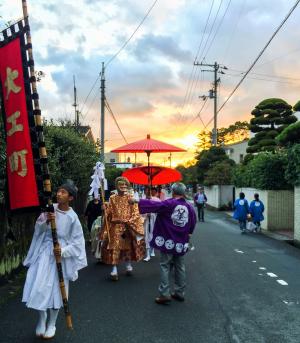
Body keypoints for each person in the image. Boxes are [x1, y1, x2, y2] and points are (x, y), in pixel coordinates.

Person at [22, 180, 87, 339]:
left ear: (70, 198)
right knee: (37, 287)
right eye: (58, 191)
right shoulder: (49, 210)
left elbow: (78, 243)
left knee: (58, 292)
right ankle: (42, 318)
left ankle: (52, 323)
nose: (58, 194)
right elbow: (38, 230)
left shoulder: (73, 218)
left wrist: (63, 251)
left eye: (63, 192)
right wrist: (46, 221)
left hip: (60, 258)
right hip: (44, 254)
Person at [133, 182, 196, 304]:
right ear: (183, 192)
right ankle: (179, 292)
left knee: (165, 266)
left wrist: (137, 201)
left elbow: (154, 205)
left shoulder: (169, 203)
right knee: (180, 267)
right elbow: (192, 224)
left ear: (173, 192)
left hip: (168, 240)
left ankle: (164, 294)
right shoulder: (189, 207)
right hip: (181, 242)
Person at [99, 177, 145, 281]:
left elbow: (135, 212)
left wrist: (130, 221)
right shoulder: (112, 198)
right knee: (114, 247)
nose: (123, 187)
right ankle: (114, 268)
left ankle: (128, 265)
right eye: (121, 185)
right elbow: (109, 211)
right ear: (117, 186)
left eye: (125, 185)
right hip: (115, 226)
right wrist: (105, 209)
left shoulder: (130, 197)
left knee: (127, 246)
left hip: (128, 226)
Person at [143, 187, 161, 262]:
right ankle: (147, 254)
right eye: (146, 191)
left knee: (153, 235)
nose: (149, 192)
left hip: (154, 220)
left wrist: (153, 213)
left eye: (149, 191)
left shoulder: (157, 200)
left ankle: (152, 250)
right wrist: (146, 214)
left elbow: (160, 211)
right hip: (146, 220)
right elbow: (140, 211)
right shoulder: (144, 200)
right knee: (147, 236)